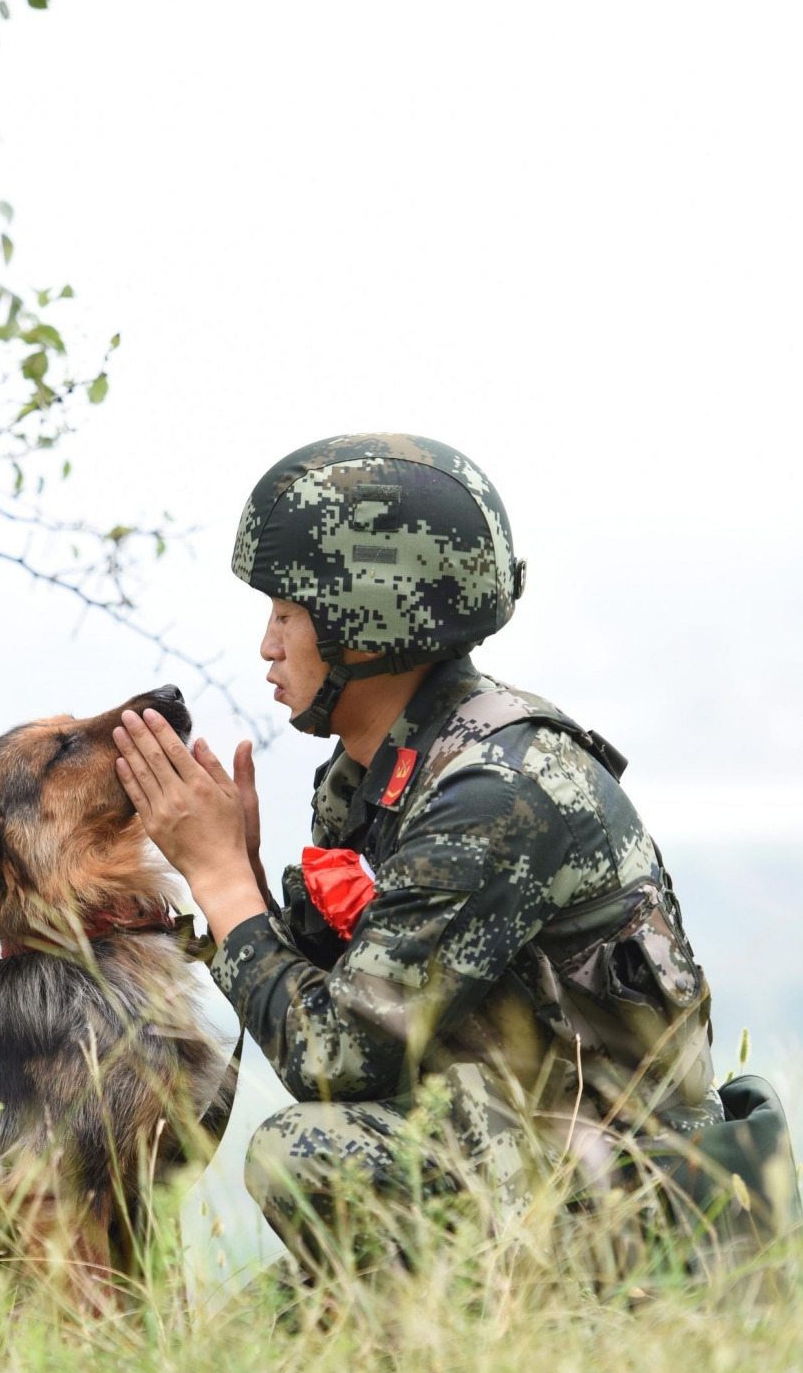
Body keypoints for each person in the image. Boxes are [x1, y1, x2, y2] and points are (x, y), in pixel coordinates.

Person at [112, 433, 799, 1271]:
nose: (268, 644)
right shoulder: (385, 771)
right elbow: (352, 989)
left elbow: (333, 1060)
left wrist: (221, 881)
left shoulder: (493, 795)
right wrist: (241, 880)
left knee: (306, 1151)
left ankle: (533, 1343)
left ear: (365, 624)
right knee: (273, 1341)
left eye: (287, 614)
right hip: (516, 1142)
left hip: (639, 1204)